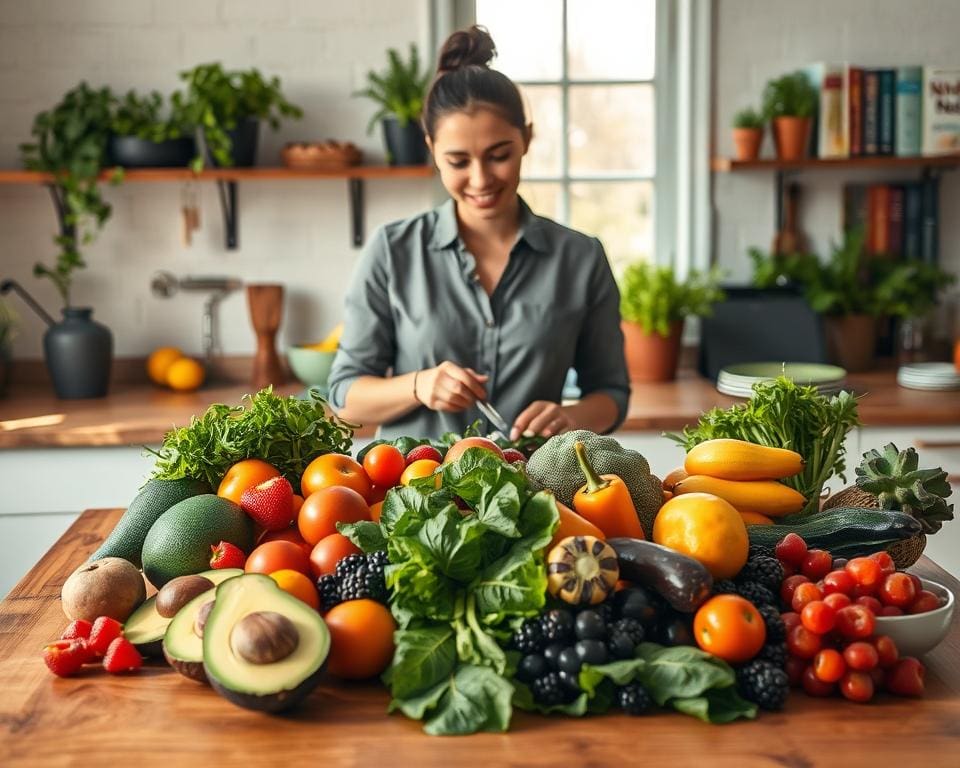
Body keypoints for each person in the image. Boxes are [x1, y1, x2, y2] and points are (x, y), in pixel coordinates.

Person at [328, 25, 630, 441]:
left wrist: (572, 417)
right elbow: (344, 393)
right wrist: (419, 385)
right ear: (432, 149)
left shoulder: (580, 258)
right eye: (458, 161)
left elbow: (611, 393)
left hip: (530, 492)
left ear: (527, 138)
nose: (481, 179)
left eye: (499, 155)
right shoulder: (391, 251)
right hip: (412, 492)